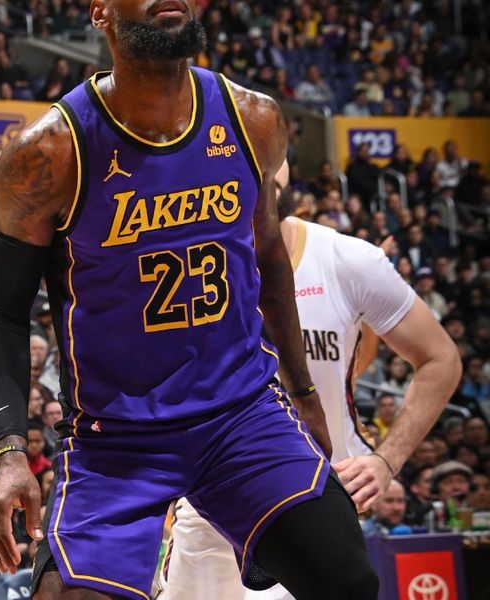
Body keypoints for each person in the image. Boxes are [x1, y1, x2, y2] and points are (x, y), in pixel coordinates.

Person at [0, 5, 417, 598]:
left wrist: (305, 391)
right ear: (100, 12)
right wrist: (8, 454)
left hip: (241, 414)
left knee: (348, 580)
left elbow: (268, 258)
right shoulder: (48, 152)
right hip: (116, 439)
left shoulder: (253, 118)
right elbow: (2, 311)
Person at [164, 161, 461, 598]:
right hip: (210, 505)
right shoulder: (181, 264)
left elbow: (440, 357)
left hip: (314, 495)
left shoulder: (347, 259)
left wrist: (386, 460)